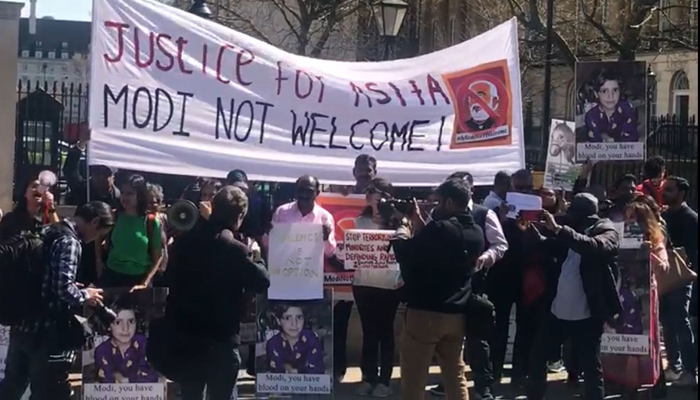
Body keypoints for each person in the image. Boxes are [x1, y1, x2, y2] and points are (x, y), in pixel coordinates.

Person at [164, 186, 270, 400]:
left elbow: (169, 280)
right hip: (221, 339)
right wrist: (257, 257)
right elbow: (262, 282)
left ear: (213, 207)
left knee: (191, 396)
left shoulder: (184, 242)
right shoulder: (235, 249)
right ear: (240, 216)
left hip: (187, 335)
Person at [0, 201, 113, 400]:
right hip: (47, 333)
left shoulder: (48, 230)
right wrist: (87, 294)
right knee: (49, 393)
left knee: (10, 388)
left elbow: (44, 276)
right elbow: (62, 289)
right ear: (95, 222)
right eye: (100, 233)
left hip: (22, 325)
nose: (96, 239)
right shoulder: (70, 242)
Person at [393, 178, 485, 400]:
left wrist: (404, 228)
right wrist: (419, 220)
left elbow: (406, 251)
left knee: (414, 378)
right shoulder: (477, 232)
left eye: (438, 202)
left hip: (425, 314)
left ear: (450, 203)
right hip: (456, 315)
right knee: (455, 375)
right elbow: (440, 241)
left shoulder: (441, 229)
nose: (435, 207)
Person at [526, 193, 622, 400]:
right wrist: (530, 231)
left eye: (572, 212)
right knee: (537, 356)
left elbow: (596, 247)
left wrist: (559, 230)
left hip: (587, 312)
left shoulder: (606, 228)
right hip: (559, 311)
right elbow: (549, 245)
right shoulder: (573, 231)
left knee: (590, 366)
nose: (567, 215)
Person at [430, 172, 508, 400]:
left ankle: (483, 387)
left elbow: (500, 245)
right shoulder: (438, 213)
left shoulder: (484, 214)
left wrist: (485, 258)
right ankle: (449, 383)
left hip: (474, 285)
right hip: (447, 286)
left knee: (477, 338)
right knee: (448, 338)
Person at [352, 178, 403, 398]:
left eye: (377, 191)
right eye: (370, 191)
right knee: (369, 332)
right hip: (364, 284)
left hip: (390, 285)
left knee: (385, 332)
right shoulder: (360, 221)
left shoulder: (399, 222)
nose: (372, 194)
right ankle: (368, 377)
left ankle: (385, 380)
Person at [661, 176, 698, 387]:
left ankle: (689, 370)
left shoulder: (691, 218)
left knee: (680, 322)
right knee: (666, 322)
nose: (665, 193)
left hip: (682, 278)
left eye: (670, 190)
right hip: (664, 276)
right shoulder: (664, 216)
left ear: (681, 193)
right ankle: (673, 366)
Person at [100, 174, 163, 289]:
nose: (124, 197)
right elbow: (97, 236)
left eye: (129, 193)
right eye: (122, 193)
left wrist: (145, 283)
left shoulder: (151, 222)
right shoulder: (114, 216)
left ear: (140, 196)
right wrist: (98, 262)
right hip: (112, 278)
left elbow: (157, 257)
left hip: (138, 281)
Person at [94, 298, 158, 383]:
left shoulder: (144, 344)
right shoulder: (102, 350)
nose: (125, 328)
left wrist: (126, 380)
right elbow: (106, 378)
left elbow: (153, 376)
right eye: (118, 322)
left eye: (131, 321)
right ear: (108, 325)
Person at [62, 136, 120, 208]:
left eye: (105, 174)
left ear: (113, 177)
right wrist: (81, 143)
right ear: (91, 173)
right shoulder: (82, 190)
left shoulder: (120, 198)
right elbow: (69, 169)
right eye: (97, 172)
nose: (101, 177)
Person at [266, 304, 324, 374]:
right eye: (287, 318)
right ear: (278, 321)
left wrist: (294, 371)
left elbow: (317, 369)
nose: (294, 324)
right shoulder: (273, 343)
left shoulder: (311, 339)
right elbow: (277, 369)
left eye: (299, 317)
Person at [584, 68, 638, 143]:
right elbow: (594, 140)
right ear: (596, 94)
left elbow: (631, 138)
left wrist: (612, 140)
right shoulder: (591, 116)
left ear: (620, 91)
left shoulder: (627, 110)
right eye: (604, 91)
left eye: (615, 90)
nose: (611, 96)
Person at [0, 175, 59, 241]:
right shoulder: (11, 219)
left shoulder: (47, 219)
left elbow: (60, 234)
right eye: (34, 186)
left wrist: (50, 205)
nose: (38, 190)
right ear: (25, 193)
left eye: (41, 188)